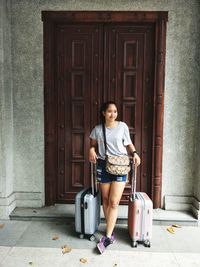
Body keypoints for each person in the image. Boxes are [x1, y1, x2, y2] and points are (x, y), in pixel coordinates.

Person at [89, 101, 141, 254]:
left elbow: (128, 143)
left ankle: (107, 236)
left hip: (120, 166)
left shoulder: (122, 126)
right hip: (103, 165)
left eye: (115, 111)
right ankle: (110, 229)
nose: (113, 114)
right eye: (110, 111)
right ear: (104, 113)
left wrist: (135, 153)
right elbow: (92, 144)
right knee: (105, 200)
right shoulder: (97, 129)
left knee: (113, 202)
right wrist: (91, 150)